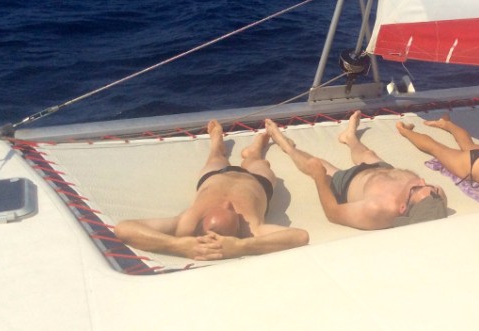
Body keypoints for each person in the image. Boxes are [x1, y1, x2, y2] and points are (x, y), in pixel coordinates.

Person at [115, 120, 309, 261]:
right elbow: (300, 236)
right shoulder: (251, 231)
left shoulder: (186, 223)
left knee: (215, 158)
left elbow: (124, 228)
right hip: (256, 181)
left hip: (214, 176)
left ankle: (216, 145)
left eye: (226, 208)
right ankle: (254, 153)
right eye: (232, 211)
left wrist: (177, 245)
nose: (228, 203)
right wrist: (242, 246)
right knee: (259, 163)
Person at [264, 112, 448, 230]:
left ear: (402, 208)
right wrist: (427, 191)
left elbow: (333, 213)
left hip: (348, 182)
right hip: (382, 170)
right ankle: (350, 138)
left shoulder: (377, 210)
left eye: (417, 188)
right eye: (432, 189)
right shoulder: (436, 199)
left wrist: (320, 178)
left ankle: (287, 147)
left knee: (316, 164)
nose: (423, 181)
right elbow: (432, 195)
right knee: (367, 154)